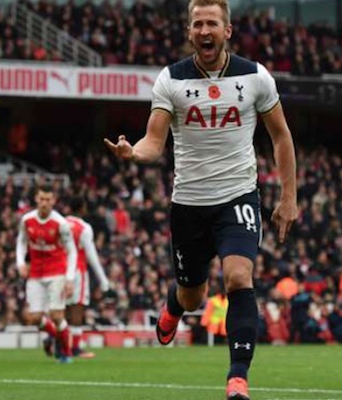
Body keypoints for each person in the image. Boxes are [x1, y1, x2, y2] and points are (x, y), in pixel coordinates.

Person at [104, 0, 297, 397]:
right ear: (189, 32)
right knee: (193, 296)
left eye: (211, 23)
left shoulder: (255, 76)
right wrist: (132, 153)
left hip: (238, 196)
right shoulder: (171, 80)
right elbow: (154, 142)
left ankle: (238, 377)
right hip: (189, 203)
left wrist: (288, 198)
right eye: (197, 24)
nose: (204, 30)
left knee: (238, 277)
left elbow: (281, 136)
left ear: (227, 31)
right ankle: (175, 306)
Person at [16, 184, 77, 364]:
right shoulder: (27, 220)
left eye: (48, 200)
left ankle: (66, 353)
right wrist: (20, 263)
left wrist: (69, 278)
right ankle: (59, 337)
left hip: (56, 272)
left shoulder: (60, 224)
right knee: (34, 318)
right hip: (35, 273)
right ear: (36, 199)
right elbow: (21, 242)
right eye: (41, 199)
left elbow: (71, 251)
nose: (44, 203)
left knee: (56, 315)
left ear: (53, 201)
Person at [65, 196, 111, 358]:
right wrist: (103, 279)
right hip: (77, 271)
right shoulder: (83, 228)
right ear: (83, 208)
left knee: (63, 309)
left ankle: (60, 344)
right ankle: (75, 348)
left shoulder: (60, 224)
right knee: (77, 308)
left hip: (59, 270)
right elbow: (91, 256)